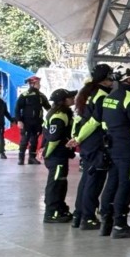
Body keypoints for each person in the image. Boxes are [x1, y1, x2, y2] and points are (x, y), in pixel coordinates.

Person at [98, 68, 130, 237]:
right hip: (128, 150)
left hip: (112, 146)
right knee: (126, 185)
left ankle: (106, 221)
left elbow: (104, 123)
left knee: (112, 182)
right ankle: (120, 224)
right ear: (129, 79)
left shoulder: (109, 97)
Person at [67, 66, 113, 228]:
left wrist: (76, 136)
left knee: (86, 178)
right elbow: (94, 122)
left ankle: (79, 215)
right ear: (105, 79)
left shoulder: (87, 93)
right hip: (95, 142)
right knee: (95, 180)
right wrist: (78, 138)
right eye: (111, 77)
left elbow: (78, 118)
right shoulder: (102, 96)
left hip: (87, 142)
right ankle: (88, 217)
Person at [41, 89, 76, 222]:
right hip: (56, 156)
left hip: (60, 155)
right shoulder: (59, 116)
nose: (73, 98)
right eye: (70, 97)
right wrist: (47, 153)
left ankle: (60, 208)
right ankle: (51, 213)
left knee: (61, 183)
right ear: (64, 100)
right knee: (55, 184)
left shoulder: (62, 113)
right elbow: (54, 139)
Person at [14, 76, 50, 165]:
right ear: (32, 84)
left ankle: (32, 158)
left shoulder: (41, 96)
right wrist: (19, 120)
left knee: (34, 140)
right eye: (38, 83)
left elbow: (48, 107)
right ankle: (21, 159)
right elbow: (17, 108)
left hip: (37, 122)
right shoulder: (24, 95)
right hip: (26, 122)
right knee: (24, 141)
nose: (39, 85)